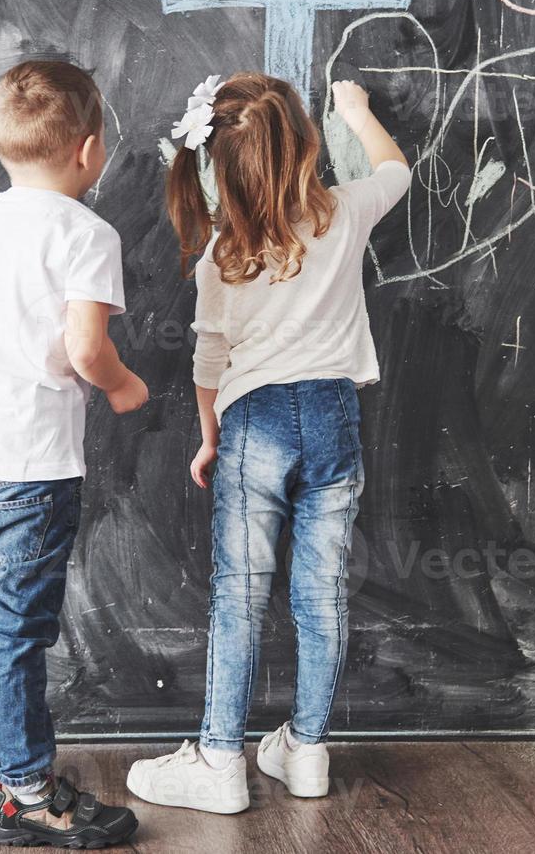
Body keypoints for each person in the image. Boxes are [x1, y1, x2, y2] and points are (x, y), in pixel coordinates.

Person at [127, 73, 411, 813]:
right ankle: (308, 749)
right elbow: (395, 172)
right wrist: (359, 111)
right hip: (333, 415)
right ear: (308, 146)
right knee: (321, 591)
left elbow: (208, 363)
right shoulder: (344, 215)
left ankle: (221, 759)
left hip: (253, 421)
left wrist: (209, 437)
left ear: (221, 167)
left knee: (241, 593)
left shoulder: (224, 252)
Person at [0, 60, 147, 847]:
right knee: (19, 630)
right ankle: (26, 795)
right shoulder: (86, 233)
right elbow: (87, 348)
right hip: (28, 463)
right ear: (91, 151)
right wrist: (123, 387)